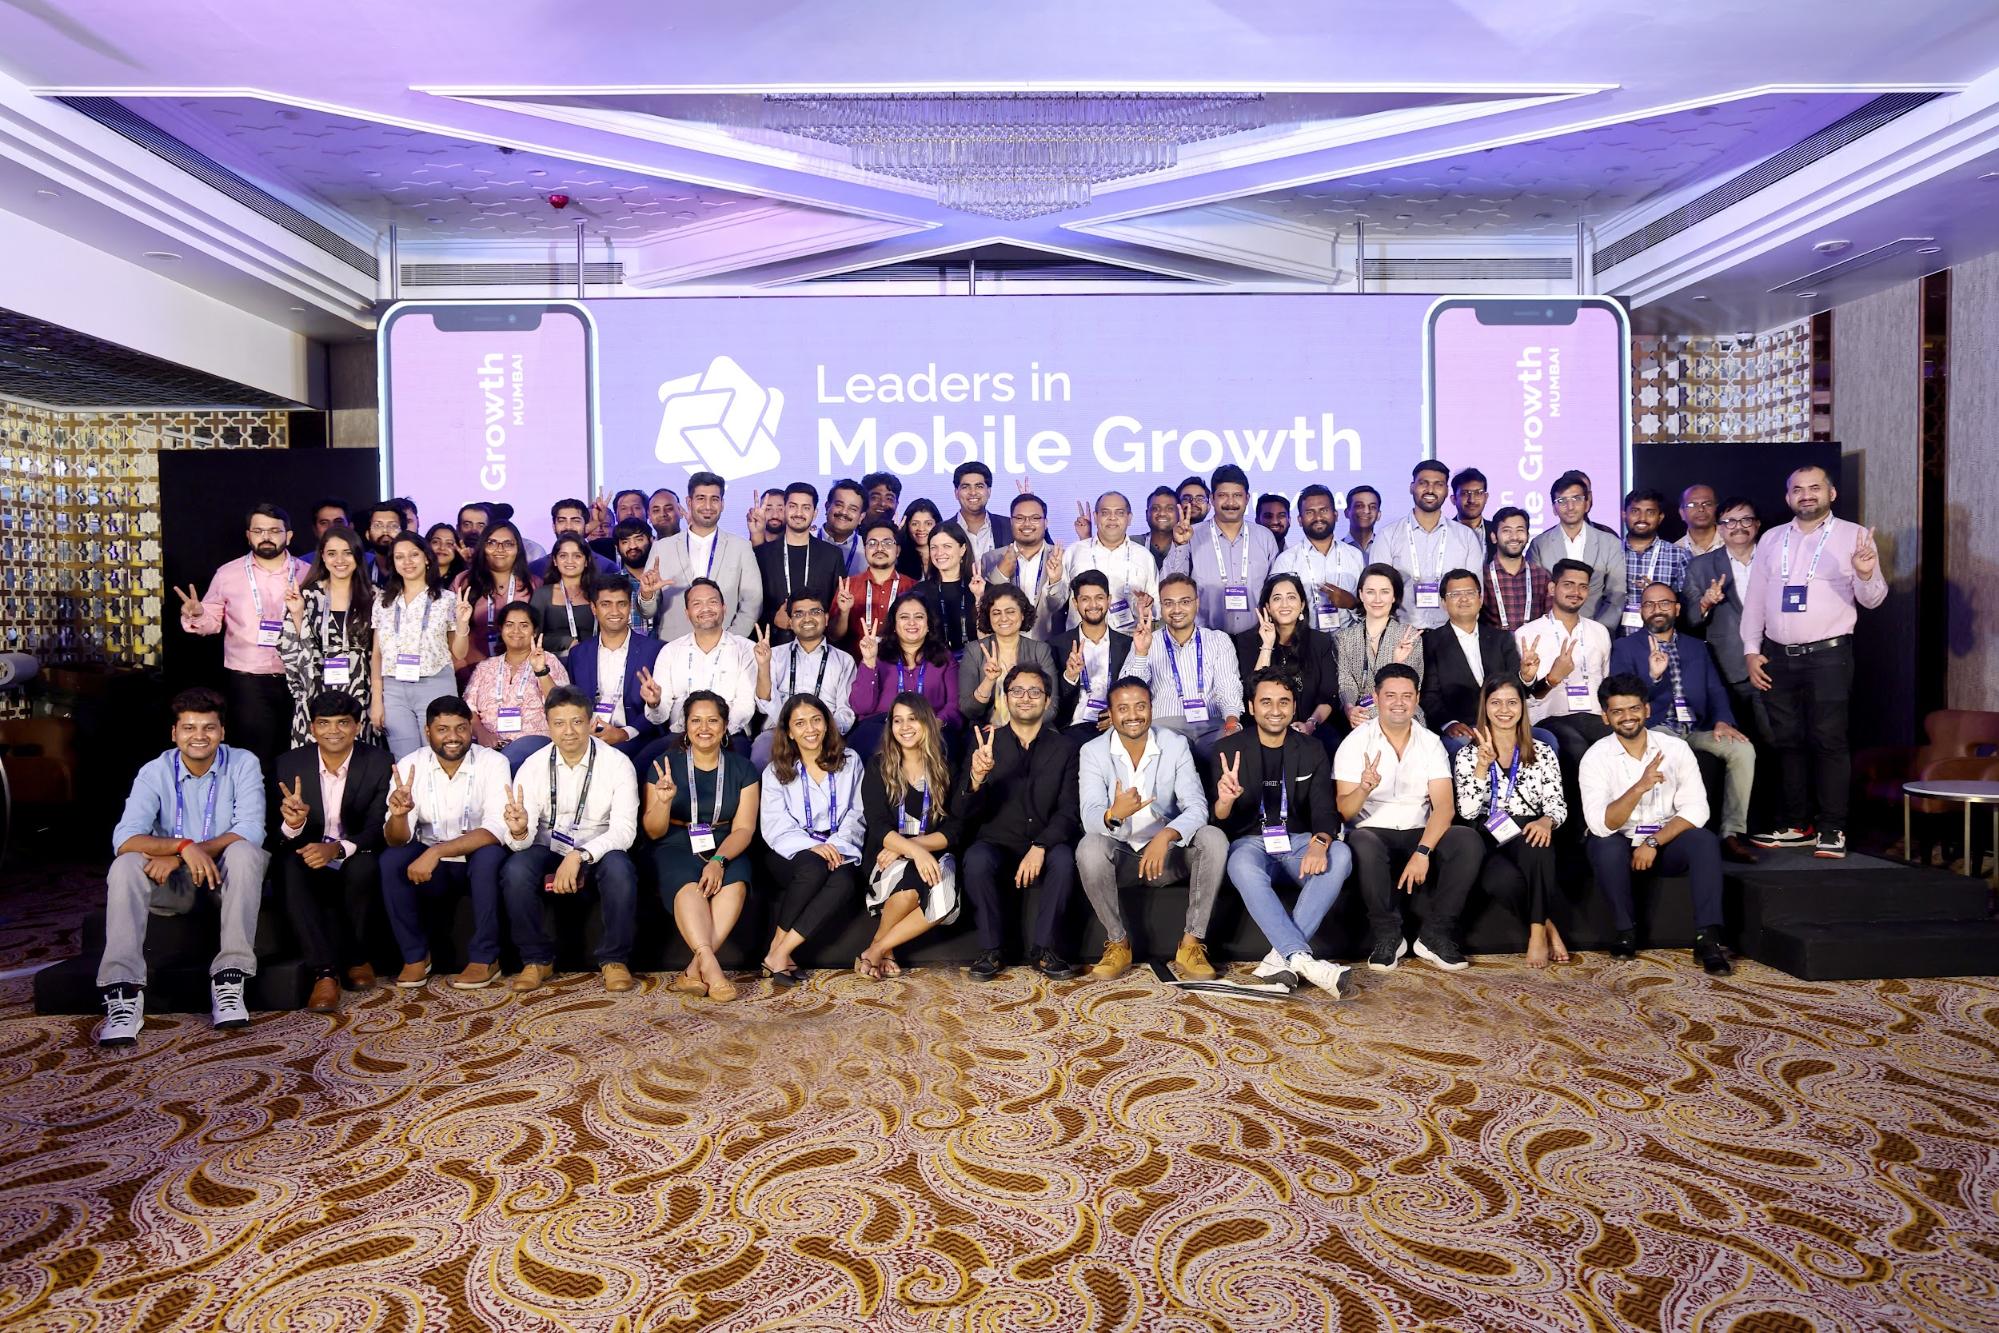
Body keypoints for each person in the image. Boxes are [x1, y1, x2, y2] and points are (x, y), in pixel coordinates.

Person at [96, 688, 269, 1045]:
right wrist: (182, 846)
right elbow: (124, 839)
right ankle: (124, 992)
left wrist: (183, 853)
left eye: (208, 728)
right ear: (174, 733)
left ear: (222, 732)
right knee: (126, 866)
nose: (199, 736)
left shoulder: (243, 763)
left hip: (225, 880)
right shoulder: (154, 771)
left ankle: (229, 979)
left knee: (246, 851)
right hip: (173, 887)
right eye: (189, 728)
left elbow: (251, 829)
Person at [1740, 465, 1885, 859]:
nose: (1806, 495)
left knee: (1829, 740)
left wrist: (1866, 572)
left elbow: (1873, 600)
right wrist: (1751, 650)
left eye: (1815, 488)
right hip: (1777, 656)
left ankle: (1833, 828)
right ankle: (1796, 824)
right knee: (1787, 742)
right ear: (1788, 498)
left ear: (1831, 494)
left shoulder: (1854, 536)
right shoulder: (1771, 539)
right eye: (1798, 489)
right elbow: (1755, 599)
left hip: (1829, 655)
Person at [1211, 668, 1353, 995]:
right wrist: (1225, 801)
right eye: (1266, 702)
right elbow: (1218, 820)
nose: (1275, 710)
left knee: (1341, 853)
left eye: (1284, 702)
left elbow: (1323, 809)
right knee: (1240, 864)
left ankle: (1282, 958)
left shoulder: (1312, 749)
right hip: (1251, 841)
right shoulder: (1228, 749)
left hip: (1297, 840)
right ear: (1250, 706)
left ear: (1293, 707)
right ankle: (1302, 959)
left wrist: (1320, 842)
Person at [1076, 677, 1228, 981]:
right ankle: (1118, 943)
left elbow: (1197, 806)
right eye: (1123, 708)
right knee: (1089, 847)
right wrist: (1113, 814)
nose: (1133, 715)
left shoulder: (1174, 744)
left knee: (1214, 838)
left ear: (1151, 708)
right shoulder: (1092, 752)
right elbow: (1089, 815)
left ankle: (1191, 944)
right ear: (1111, 712)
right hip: (1123, 857)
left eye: (1140, 706)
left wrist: (1166, 835)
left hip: (1168, 857)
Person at [1581, 674, 1732, 975]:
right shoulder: (1595, 757)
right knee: (1604, 844)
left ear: (1647, 710)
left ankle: (1708, 939)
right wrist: (1638, 787)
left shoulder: (1675, 749)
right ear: (1605, 716)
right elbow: (1600, 824)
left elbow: (1697, 809)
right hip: (1621, 843)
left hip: (1663, 842)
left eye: (1634, 708)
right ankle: (1625, 932)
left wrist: (1653, 842)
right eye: (1618, 711)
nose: (1627, 717)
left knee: (1703, 840)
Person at [1335, 663, 1481, 972]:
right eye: (1390, 695)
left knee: (1467, 839)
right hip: (1373, 830)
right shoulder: (1355, 742)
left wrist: (1423, 851)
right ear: (1376, 698)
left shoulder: (1430, 742)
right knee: (1361, 841)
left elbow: (1444, 808)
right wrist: (1364, 787)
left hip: (1419, 829)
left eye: (1406, 696)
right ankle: (1388, 934)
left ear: (1416, 699)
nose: (1398, 703)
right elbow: (1346, 810)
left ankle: (1435, 935)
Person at [498, 686, 642, 993]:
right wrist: (520, 831)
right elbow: (521, 843)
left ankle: (614, 960)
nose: (569, 731)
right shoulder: (534, 766)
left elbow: (625, 832)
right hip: (548, 844)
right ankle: (536, 960)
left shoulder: (617, 764)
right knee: (515, 870)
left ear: (591, 723)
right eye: (559, 723)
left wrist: (579, 856)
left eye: (577, 721)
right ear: (548, 726)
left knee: (620, 869)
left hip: (599, 847)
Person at [1610, 582, 1760, 862]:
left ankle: (1730, 834)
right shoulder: (1625, 647)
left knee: (1743, 750)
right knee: (1669, 754)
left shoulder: (1696, 647)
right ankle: (1668, 834)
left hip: (1697, 726)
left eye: (1664, 603)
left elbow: (1715, 689)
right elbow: (1623, 700)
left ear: (1677, 609)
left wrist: (1723, 720)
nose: (1657, 610)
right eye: (1649, 605)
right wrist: (1653, 678)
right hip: (1656, 727)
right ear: (1641, 611)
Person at [956, 663, 1082, 982]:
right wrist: (976, 778)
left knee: (1065, 859)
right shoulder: (985, 742)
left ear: (1048, 700)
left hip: (1044, 841)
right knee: (976, 859)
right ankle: (991, 950)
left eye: (1035, 692)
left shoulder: (1066, 748)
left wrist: (1041, 845)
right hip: (997, 841)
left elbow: (1070, 810)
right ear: (1006, 698)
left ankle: (1044, 949)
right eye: (1017, 691)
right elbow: (962, 810)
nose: (1026, 698)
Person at [379, 696, 512, 991]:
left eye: (460, 728)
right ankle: (415, 957)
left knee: (490, 855)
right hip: (433, 870)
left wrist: (437, 851)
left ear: (471, 728)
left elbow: (494, 830)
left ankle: (485, 958)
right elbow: (396, 838)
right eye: (442, 729)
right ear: (428, 732)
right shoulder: (410, 765)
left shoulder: (493, 761)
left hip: (473, 859)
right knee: (391, 860)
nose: (453, 737)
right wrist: (399, 815)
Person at [270, 690, 392, 1012]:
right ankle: (324, 972)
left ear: (357, 726)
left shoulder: (378, 762)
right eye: (324, 723)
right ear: (312, 728)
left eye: (342, 723)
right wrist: (293, 825)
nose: (333, 731)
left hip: (354, 852)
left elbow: (377, 826)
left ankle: (356, 958)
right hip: (307, 854)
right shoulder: (288, 764)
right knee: (287, 867)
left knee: (365, 867)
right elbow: (274, 834)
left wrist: (336, 849)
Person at [174, 502, 312, 768]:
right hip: (249, 679)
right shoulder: (228, 574)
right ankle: (256, 809)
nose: (266, 537)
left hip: (300, 676)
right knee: (256, 752)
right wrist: (196, 613)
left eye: (274, 530)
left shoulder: (308, 573)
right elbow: (212, 622)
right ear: (248, 535)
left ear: (289, 535)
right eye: (259, 531)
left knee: (297, 752)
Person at [643, 691, 759, 1002]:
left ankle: (694, 970)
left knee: (735, 884)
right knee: (689, 886)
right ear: (685, 725)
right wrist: (664, 803)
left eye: (712, 720)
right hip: (676, 841)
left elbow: (745, 829)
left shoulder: (744, 769)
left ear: (724, 727)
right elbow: (653, 831)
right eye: (696, 720)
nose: (703, 728)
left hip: (726, 842)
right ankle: (712, 967)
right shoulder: (663, 765)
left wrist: (719, 860)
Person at [1452, 677, 1569, 968]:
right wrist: (1481, 766)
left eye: (1512, 702)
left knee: (1539, 846)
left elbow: (1557, 803)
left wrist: (1547, 820)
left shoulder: (1542, 752)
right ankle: (1549, 926)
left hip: (1527, 827)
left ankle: (1536, 935)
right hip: (1486, 832)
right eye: (1496, 702)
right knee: (1500, 881)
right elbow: (1467, 812)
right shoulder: (1467, 754)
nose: (1504, 709)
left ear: (1522, 708)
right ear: (1485, 708)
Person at [758, 693, 867, 986]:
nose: (810, 729)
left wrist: (836, 847)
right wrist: (813, 847)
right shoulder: (776, 771)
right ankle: (778, 952)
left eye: (816, 720)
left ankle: (780, 951)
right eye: (800, 723)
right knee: (812, 866)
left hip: (840, 844)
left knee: (846, 881)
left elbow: (856, 814)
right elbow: (775, 824)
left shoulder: (850, 761)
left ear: (827, 724)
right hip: (791, 850)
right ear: (789, 732)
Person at [857, 694, 965, 978]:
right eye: (897, 720)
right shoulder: (878, 766)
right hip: (885, 856)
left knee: (942, 893)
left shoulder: (945, 767)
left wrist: (913, 847)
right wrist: (912, 852)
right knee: (911, 881)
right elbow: (878, 826)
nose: (905, 726)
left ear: (927, 723)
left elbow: (954, 830)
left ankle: (877, 949)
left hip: (932, 853)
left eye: (912, 719)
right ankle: (883, 952)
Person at [369, 533, 471, 760]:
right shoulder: (383, 600)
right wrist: (377, 700)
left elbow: (460, 652)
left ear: (426, 558)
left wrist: (463, 624)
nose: (407, 562)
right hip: (394, 688)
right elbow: (377, 655)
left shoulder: (447, 599)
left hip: (435, 683)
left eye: (414, 555)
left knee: (439, 754)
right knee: (404, 758)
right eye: (399, 557)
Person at [277, 524, 378, 749]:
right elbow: (288, 647)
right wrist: (296, 613)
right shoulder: (307, 595)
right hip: (316, 687)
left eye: (347, 552)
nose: (339, 560)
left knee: (357, 756)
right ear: (322, 557)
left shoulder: (375, 596)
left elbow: (381, 651)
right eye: (332, 553)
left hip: (360, 690)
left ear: (358, 556)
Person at [1517, 558, 1615, 778]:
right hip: (1549, 717)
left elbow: (1605, 682)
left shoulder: (1599, 632)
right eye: (1568, 584)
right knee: (1576, 749)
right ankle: (1577, 813)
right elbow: (1524, 698)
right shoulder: (1527, 634)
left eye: (1583, 586)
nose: (1576, 592)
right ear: (1552, 588)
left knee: (1619, 744)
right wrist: (1553, 678)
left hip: (1594, 716)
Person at [642, 579, 758, 759]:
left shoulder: (746, 649)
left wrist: (715, 732)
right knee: (643, 763)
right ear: (687, 613)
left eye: (712, 602)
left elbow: (745, 705)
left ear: (724, 608)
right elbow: (659, 716)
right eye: (697, 604)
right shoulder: (670, 651)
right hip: (680, 735)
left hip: (730, 735)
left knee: (741, 770)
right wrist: (654, 703)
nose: (706, 609)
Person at [1684, 496, 1767, 740]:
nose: (1738, 527)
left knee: (1777, 739)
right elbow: (1689, 620)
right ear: (1720, 527)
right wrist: (1706, 601)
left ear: (1757, 524)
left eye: (1746, 520)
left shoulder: (1775, 558)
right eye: (1730, 521)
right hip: (1727, 666)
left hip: (1774, 662)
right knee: (1737, 739)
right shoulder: (1701, 566)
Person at [1421, 568, 1526, 757]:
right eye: (1455, 594)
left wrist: (1527, 676)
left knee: (1547, 740)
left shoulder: (1502, 639)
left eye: (1470, 593)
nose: (1463, 599)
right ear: (1444, 602)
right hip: (1462, 726)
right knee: (1460, 748)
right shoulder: (1429, 643)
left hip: (1505, 721)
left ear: (1480, 599)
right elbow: (1429, 695)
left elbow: (1516, 687)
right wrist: (1449, 723)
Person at [1162, 464, 1279, 634]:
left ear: (1247, 498)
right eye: (1223, 495)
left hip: (1257, 638)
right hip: (1204, 639)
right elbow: (1168, 585)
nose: (1230, 502)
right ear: (1212, 498)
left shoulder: (1265, 537)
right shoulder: (1192, 535)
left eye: (1237, 495)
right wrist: (1179, 545)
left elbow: (1276, 590)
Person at [648, 471, 764, 640]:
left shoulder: (740, 547)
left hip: (726, 649)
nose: (708, 506)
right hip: (672, 647)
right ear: (689, 502)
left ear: (722, 504)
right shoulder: (662, 548)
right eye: (701, 498)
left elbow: (753, 602)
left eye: (714, 499)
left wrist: (731, 639)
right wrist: (646, 596)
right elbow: (647, 611)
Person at [1144, 572, 1245, 760]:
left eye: (1184, 602)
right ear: (1161, 606)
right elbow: (1132, 687)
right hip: (1165, 726)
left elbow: (1228, 686)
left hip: (1212, 725)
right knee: (1167, 758)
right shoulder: (1147, 641)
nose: (1177, 609)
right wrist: (1141, 652)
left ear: (1196, 604)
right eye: (1169, 603)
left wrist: (1231, 721)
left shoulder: (1218, 640)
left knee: (1234, 752)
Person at [1377, 461, 1486, 631]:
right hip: (1402, 635)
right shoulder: (1388, 535)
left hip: (1451, 635)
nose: (1430, 490)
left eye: (1438, 484)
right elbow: (1377, 593)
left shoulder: (1465, 537)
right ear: (1412, 487)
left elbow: (1474, 593)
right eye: (1423, 483)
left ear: (1446, 491)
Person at [851, 592, 961, 756]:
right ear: (894, 625)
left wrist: (935, 724)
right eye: (904, 617)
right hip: (882, 728)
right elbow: (861, 706)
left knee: (945, 746)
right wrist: (869, 662)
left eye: (919, 616)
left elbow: (954, 705)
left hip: (929, 727)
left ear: (929, 623)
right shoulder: (877, 654)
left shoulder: (944, 658)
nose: (912, 622)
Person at [463, 602, 569, 772]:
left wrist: (540, 671)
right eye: (509, 625)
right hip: (488, 743)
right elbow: (468, 709)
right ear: (501, 629)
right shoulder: (485, 667)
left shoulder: (548, 661)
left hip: (533, 740)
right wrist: (481, 732)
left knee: (500, 767)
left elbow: (561, 706)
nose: (516, 631)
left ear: (534, 631)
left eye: (524, 625)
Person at [753, 592, 857, 765]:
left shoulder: (844, 660)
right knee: (761, 753)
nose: (807, 618)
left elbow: (845, 712)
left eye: (815, 612)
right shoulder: (774, 655)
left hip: (825, 733)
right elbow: (764, 706)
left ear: (826, 617)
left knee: (847, 760)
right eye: (799, 614)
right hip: (780, 731)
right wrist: (764, 665)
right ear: (790, 622)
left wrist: (822, 732)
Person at [1233, 573, 1336, 747]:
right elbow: (1251, 692)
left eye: (1291, 598)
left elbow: (1327, 697)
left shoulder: (1320, 642)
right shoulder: (1246, 641)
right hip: (1262, 728)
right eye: (1277, 598)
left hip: (1309, 726)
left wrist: (1310, 724)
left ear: (1302, 604)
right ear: (1268, 606)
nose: (1285, 604)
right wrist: (1267, 645)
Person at [1050, 570, 1151, 742]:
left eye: (1099, 597)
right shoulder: (1057, 645)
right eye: (1085, 599)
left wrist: (1118, 715)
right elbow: (1053, 703)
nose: (1093, 605)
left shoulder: (1128, 644)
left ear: (1109, 600)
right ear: (1075, 603)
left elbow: (1140, 690)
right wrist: (1070, 676)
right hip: (1073, 727)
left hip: (1117, 726)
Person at [1528, 471, 1625, 632]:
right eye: (1562, 500)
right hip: (1551, 633)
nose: (1570, 506)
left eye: (1576, 499)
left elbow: (1616, 594)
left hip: (1597, 630)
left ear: (1587, 503)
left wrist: (1598, 630)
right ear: (1554, 508)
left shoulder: (1610, 543)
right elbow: (1536, 595)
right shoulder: (1539, 544)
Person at [1334, 564, 1424, 730]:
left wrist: (1396, 663)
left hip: (1400, 713)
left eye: (1384, 592)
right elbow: (1346, 683)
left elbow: (1410, 689)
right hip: (1357, 716)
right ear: (1361, 595)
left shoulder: (1409, 636)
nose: (1377, 599)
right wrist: (1349, 708)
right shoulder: (1344, 637)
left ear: (1394, 596)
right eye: (1370, 592)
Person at [755, 482, 844, 642]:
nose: (798, 513)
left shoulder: (832, 555)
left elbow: (836, 606)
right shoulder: (762, 554)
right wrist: (774, 617)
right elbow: (752, 603)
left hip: (818, 645)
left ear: (815, 513)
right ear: (785, 509)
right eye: (793, 506)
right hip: (774, 645)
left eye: (806, 507)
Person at [959, 585, 1059, 728]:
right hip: (989, 731)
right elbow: (968, 710)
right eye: (996, 613)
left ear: (1022, 614)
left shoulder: (1040, 650)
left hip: (1033, 730)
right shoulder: (974, 651)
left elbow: (1052, 707)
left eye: (1010, 611)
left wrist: (1011, 727)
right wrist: (988, 681)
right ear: (988, 616)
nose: (1003, 618)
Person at [452, 520, 537, 683]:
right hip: (470, 670)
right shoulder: (463, 582)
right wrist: (462, 671)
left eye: (508, 544)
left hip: (521, 674)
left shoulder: (533, 584)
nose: (500, 549)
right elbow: (450, 632)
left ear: (518, 549)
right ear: (482, 547)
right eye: (492, 543)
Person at [1270, 484, 1363, 632]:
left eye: (1324, 510)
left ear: (1335, 515)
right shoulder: (1286, 561)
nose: (1318, 517)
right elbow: (1275, 611)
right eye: (1310, 512)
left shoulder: (1355, 556)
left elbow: (1369, 609)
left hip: (1350, 642)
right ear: (1300, 520)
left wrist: (1351, 603)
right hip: (1305, 645)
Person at [1065, 491, 1159, 634]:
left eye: (1120, 513)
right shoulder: (1074, 552)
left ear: (1129, 518)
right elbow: (1056, 603)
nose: (1112, 518)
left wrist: (1146, 608)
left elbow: (1157, 608)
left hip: (1130, 642)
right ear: (1096, 517)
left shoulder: (1144, 557)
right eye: (1105, 513)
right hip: (1081, 644)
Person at [980, 492, 1067, 637]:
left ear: (1046, 523)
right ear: (1011, 522)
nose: (1027, 523)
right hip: (1004, 647)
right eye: (1020, 518)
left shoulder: (1062, 557)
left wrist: (1055, 581)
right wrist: (1001, 574)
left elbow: (1057, 606)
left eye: (1035, 518)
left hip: (1049, 648)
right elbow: (987, 608)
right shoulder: (991, 558)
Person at [833, 518, 916, 656]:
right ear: (864, 549)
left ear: (898, 551)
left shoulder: (913, 587)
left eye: (887, 543)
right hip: (858, 667)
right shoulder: (849, 586)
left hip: (901, 669)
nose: (879, 548)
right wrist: (844, 612)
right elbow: (835, 636)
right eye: (872, 543)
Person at [1615, 490, 1691, 637]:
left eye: (1650, 512)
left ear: (1660, 517)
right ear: (1624, 514)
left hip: (1661, 642)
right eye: (1635, 511)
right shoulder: (1610, 552)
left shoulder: (1678, 555)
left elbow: (1686, 606)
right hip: (1615, 641)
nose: (1642, 518)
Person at [916, 521, 982, 659]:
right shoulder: (919, 593)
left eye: (947, 546)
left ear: (962, 549)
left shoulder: (981, 588)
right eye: (934, 547)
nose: (940, 553)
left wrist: (979, 598)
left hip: (977, 666)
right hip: (934, 667)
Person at [1481, 506, 1550, 633]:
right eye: (1506, 531)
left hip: (1534, 649)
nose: (1514, 537)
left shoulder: (1542, 576)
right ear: (1494, 537)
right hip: (1495, 650)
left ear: (1528, 536)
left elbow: (1551, 621)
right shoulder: (1482, 577)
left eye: (1520, 530)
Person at [528, 535, 600, 656]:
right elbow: (531, 636)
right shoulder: (542, 595)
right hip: (554, 664)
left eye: (577, 556)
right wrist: (565, 641)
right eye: (563, 556)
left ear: (586, 561)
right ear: (555, 561)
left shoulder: (599, 593)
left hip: (594, 659)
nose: (570, 561)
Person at [528, 499, 617, 580]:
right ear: (554, 526)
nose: (568, 526)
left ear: (586, 526)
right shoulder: (536, 568)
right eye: (562, 521)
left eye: (576, 521)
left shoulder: (606, 567)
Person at [950, 460, 1012, 563]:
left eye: (979, 486)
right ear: (956, 493)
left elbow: (1044, 550)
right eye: (965, 487)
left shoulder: (1009, 526)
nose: (973, 492)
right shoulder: (943, 530)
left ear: (989, 491)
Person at [611, 518, 662, 627]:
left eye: (638, 539)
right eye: (625, 542)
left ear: (651, 541)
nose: (632, 546)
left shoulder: (665, 576)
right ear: (617, 548)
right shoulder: (611, 584)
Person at [820, 478, 866, 574]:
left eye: (853, 509)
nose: (844, 512)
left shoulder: (867, 549)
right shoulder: (804, 540)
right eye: (839, 505)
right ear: (827, 506)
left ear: (861, 517)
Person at [895, 498, 943, 581]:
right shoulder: (898, 557)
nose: (921, 529)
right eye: (915, 524)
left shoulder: (946, 555)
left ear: (937, 524)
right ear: (907, 525)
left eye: (928, 524)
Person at [360, 502, 405, 585]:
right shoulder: (362, 576)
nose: (385, 531)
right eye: (377, 526)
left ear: (404, 533)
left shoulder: (413, 571)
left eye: (393, 526)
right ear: (367, 534)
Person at [1450, 468, 1493, 554]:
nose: (1472, 500)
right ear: (1453, 499)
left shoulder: (1496, 531)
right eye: (1465, 493)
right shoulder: (1445, 532)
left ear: (1486, 497)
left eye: (1478, 493)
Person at [1675, 484, 1723, 557]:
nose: (1701, 509)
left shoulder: (1734, 542)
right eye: (1692, 505)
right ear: (1682, 513)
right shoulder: (1675, 551)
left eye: (1707, 504)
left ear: (1717, 509)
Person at [1143, 486, 1180, 569]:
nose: (1162, 513)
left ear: (1179, 514)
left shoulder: (1187, 547)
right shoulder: (1132, 543)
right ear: (1147, 514)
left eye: (1169, 509)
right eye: (1155, 509)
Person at [1343, 485, 1381, 557]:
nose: (1366, 511)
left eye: (1372, 507)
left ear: (1379, 514)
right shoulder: (1335, 550)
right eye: (1359, 506)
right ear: (1347, 513)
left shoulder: (1386, 548)